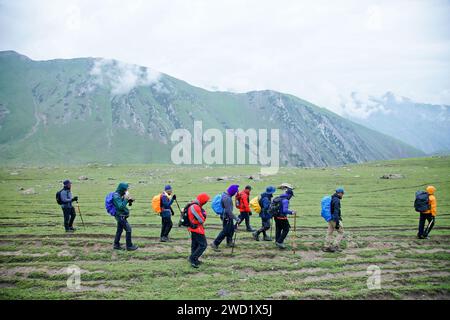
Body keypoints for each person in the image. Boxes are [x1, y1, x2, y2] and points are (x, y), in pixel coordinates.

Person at [211, 185, 241, 251]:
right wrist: (236, 218)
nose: (236, 193)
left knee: (231, 229)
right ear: (232, 192)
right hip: (226, 217)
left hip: (226, 216)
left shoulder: (225, 195)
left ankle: (229, 242)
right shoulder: (227, 198)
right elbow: (228, 211)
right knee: (225, 231)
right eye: (236, 192)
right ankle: (215, 243)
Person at [187, 193, 210, 268]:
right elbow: (201, 220)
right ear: (202, 200)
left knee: (195, 244)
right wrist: (204, 214)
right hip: (197, 229)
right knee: (203, 245)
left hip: (193, 228)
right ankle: (193, 258)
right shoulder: (195, 207)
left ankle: (194, 259)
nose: (205, 202)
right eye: (205, 201)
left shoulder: (194, 205)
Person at [113, 182, 138, 251]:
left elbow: (124, 204)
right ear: (122, 189)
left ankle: (116, 245)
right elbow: (120, 207)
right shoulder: (116, 196)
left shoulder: (120, 194)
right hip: (120, 216)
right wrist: (126, 199)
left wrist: (129, 200)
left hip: (121, 215)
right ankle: (129, 246)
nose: (126, 191)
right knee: (128, 229)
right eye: (125, 189)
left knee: (119, 230)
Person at [323, 187, 345, 252]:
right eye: (342, 193)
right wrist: (337, 223)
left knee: (329, 232)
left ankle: (326, 247)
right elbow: (336, 212)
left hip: (330, 218)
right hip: (334, 219)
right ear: (340, 193)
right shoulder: (336, 200)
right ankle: (335, 246)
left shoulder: (332, 198)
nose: (342, 195)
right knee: (341, 232)